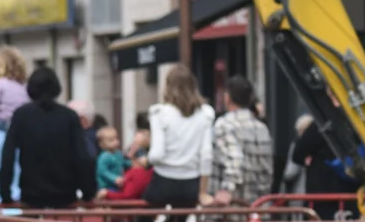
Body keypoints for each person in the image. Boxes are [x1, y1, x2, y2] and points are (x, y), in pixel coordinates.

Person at [0, 67, 96, 210]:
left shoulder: (21, 116)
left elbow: (8, 155)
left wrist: (5, 194)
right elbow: (82, 156)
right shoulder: (69, 117)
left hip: (31, 197)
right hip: (65, 198)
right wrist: (88, 192)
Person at [145, 65, 214, 209]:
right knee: (183, 219)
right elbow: (206, 155)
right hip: (191, 183)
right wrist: (202, 192)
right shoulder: (205, 113)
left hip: (163, 182)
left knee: (144, 215)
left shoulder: (159, 113)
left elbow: (156, 154)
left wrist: (146, 160)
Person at [208, 76, 273, 205]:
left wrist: (227, 189)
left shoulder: (224, 124)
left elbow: (234, 159)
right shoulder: (262, 128)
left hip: (232, 205)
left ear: (227, 97)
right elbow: (267, 167)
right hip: (258, 204)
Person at [94, 125, 131, 192]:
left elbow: (122, 162)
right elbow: (102, 171)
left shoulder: (118, 153)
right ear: (102, 144)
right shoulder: (104, 157)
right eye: (111, 140)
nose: (115, 142)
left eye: (116, 138)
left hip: (118, 184)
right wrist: (114, 178)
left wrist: (131, 163)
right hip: (107, 187)